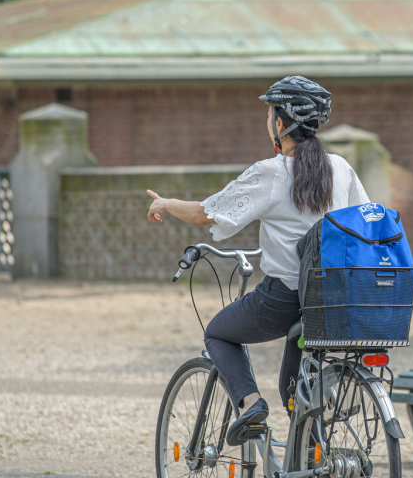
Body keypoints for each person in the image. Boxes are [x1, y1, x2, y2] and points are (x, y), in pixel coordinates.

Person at [145, 76, 370, 446]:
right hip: (332, 300)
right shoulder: (341, 168)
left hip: (284, 301)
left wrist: (166, 204)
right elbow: (362, 222)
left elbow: (206, 213)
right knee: (294, 390)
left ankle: (250, 404)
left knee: (217, 332)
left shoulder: (271, 171)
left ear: (281, 125)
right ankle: (316, 460)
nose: (268, 120)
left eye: (270, 114)